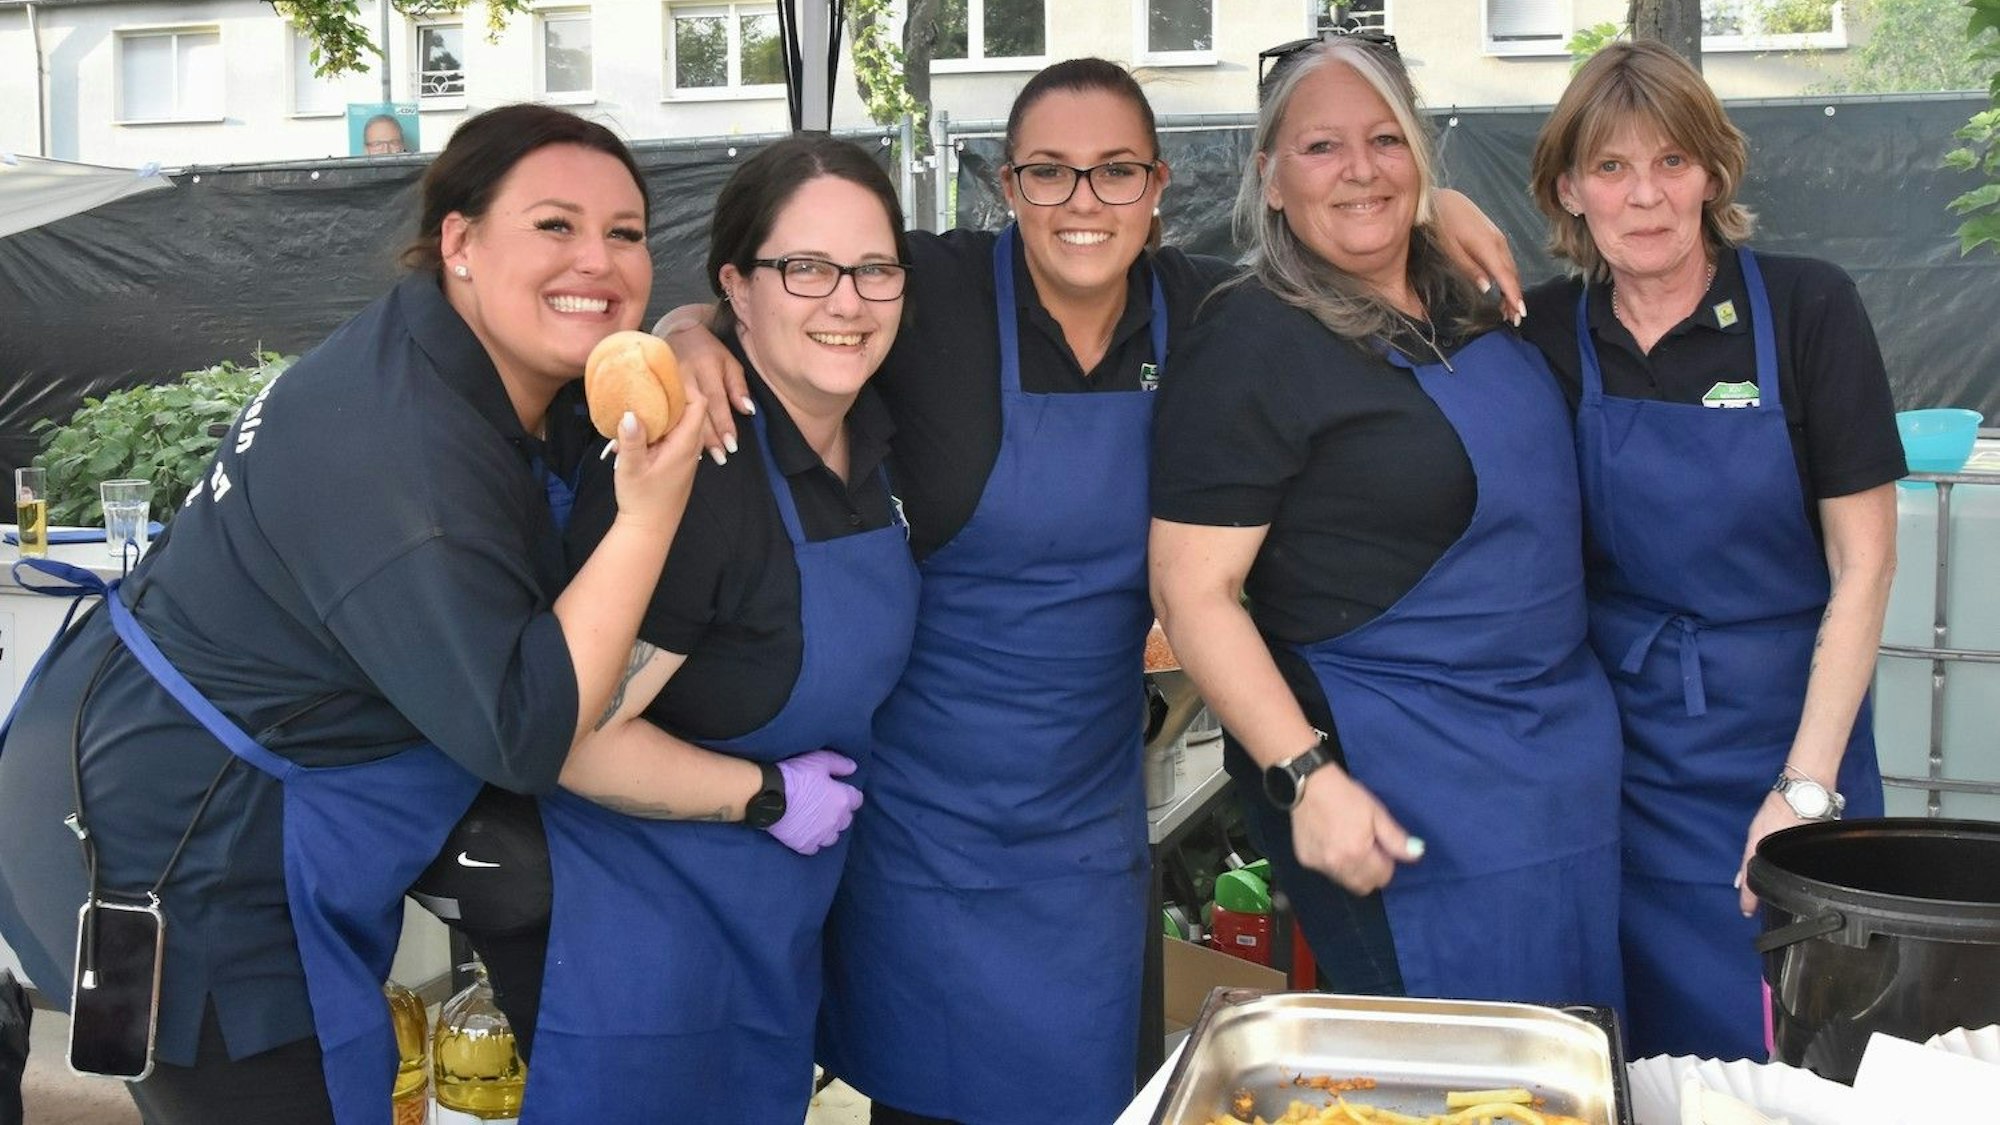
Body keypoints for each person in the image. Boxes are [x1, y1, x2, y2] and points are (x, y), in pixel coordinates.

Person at [662, 60, 1523, 1124]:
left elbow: (1338, 232)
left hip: (1088, 823)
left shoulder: (1206, 308)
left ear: (1158, 185)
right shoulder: (928, 293)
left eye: (1114, 172)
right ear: (1006, 187)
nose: (1082, 203)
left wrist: (1436, 205)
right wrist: (686, 333)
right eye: (1048, 174)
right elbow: (780, 285)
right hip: (924, 825)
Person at [0, 103, 707, 1125]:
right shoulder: (404, 452)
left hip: (161, 769)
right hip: (178, 850)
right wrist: (653, 516)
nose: (597, 260)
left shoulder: (459, 362)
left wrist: (694, 328)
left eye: (627, 234)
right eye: (553, 226)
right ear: (460, 242)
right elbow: (522, 730)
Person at [1149, 37, 1626, 1015]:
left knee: (1564, 1055)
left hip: (1554, 768)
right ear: (1268, 180)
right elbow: (1190, 593)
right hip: (1388, 779)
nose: (1360, 169)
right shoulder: (1248, 336)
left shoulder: (1472, 294)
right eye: (1320, 147)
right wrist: (1304, 775)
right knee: (1449, 1074)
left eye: (1384, 140)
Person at [455, 135, 920, 1123]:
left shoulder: (877, 441)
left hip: (768, 922)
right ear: (737, 288)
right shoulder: (700, 472)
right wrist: (762, 796)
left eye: (874, 269)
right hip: (639, 937)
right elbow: (571, 742)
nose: (845, 301)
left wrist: (688, 324)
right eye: (803, 267)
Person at [1521, 41, 1902, 1061]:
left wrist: (1804, 792)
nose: (1643, 198)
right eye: (1609, 168)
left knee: (1792, 1047)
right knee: (1637, 1050)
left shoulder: (1805, 310)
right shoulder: (1542, 331)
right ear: (1567, 189)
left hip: (1791, 734)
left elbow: (1864, 564)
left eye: (1670, 163)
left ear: (1711, 173)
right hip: (1622, 757)